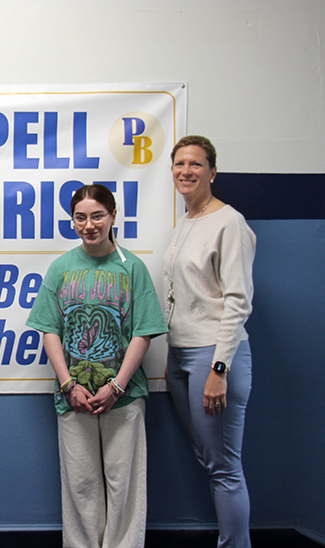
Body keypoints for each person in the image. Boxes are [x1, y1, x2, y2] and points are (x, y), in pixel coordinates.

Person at [26, 184, 166, 548]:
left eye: (97, 215)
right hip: (73, 397)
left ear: (113, 216)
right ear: (73, 222)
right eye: (81, 217)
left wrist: (116, 385)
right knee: (80, 484)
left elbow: (143, 334)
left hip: (124, 396)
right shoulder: (61, 268)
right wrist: (68, 384)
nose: (89, 225)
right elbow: (49, 331)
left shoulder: (132, 268)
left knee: (124, 485)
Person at [162, 135, 256, 548]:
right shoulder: (187, 220)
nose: (186, 171)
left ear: (212, 172)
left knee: (223, 467)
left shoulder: (228, 222)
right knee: (210, 459)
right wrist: (171, 354)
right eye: (180, 164)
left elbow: (238, 300)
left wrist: (219, 369)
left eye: (196, 164)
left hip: (213, 358)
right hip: (182, 355)